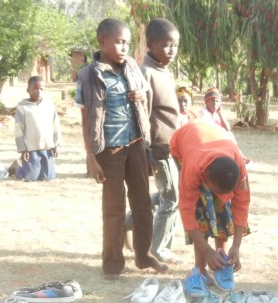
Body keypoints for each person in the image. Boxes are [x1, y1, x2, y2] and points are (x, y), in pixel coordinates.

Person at [75, 19, 167, 279]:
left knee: (143, 205)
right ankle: (113, 263)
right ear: (102, 41)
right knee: (114, 209)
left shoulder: (134, 69)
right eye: (118, 41)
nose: (124, 47)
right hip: (109, 151)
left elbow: (145, 104)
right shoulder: (88, 76)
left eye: (127, 42)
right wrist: (90, 156)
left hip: (137, 146)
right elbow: (85, 118)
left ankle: (144, 254)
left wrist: (140, 97)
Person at [170, 120, 250, 280]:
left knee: (223, 208)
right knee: (202, 210)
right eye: (215, 190)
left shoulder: (238, 166)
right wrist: (206, 250)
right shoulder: (192, 168)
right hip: (184, 144)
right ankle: (200, 269)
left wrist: (236, 245)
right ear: (206, 178)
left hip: (215, 142)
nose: (218, 196)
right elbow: (187, 212)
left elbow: (242, 205)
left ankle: (221, 261)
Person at [142, 18, 182, 263]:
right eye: (167, 45)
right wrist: (147, 152)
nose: (172, 51)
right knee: (171, 198)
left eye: (175, 46)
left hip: (171, 147)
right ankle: (158, 249)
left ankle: (130, 222)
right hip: (158, 149)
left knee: (170, 196)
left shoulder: (162, 70)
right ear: (150, 44)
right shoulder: (146, 72)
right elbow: (143, 117)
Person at [14, 76, 61, 181]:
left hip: (47, 146)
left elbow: (56, 125)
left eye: (41, 89)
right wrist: (23, 149)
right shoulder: (22, 107)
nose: (39, 91)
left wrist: (56, 144)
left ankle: (40, 169)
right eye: (35, 88)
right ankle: (17, 169)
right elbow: (18, 129)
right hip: (31, 148)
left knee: (48, 177)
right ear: (28, 90)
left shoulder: (49, 104)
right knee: (30, 177)